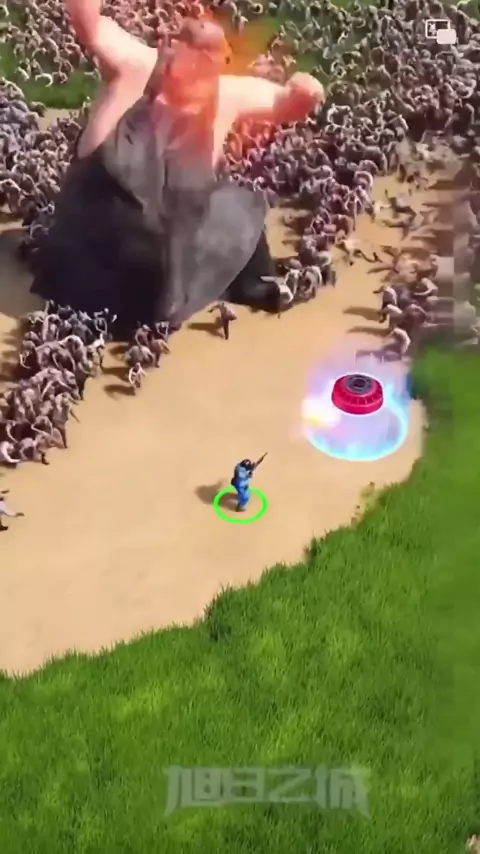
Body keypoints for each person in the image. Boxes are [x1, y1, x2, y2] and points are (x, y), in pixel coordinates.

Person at [30, 3, 325, 334]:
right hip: (99, 260)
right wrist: (304, 94)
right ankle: (253, 284)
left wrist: (307, 91)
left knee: (238, 204)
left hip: (118, 274)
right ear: (169, 45)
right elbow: (90, 26)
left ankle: (255, 285)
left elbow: (289, 103)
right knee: (237, 203)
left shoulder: (221, 91)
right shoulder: (140, 66)